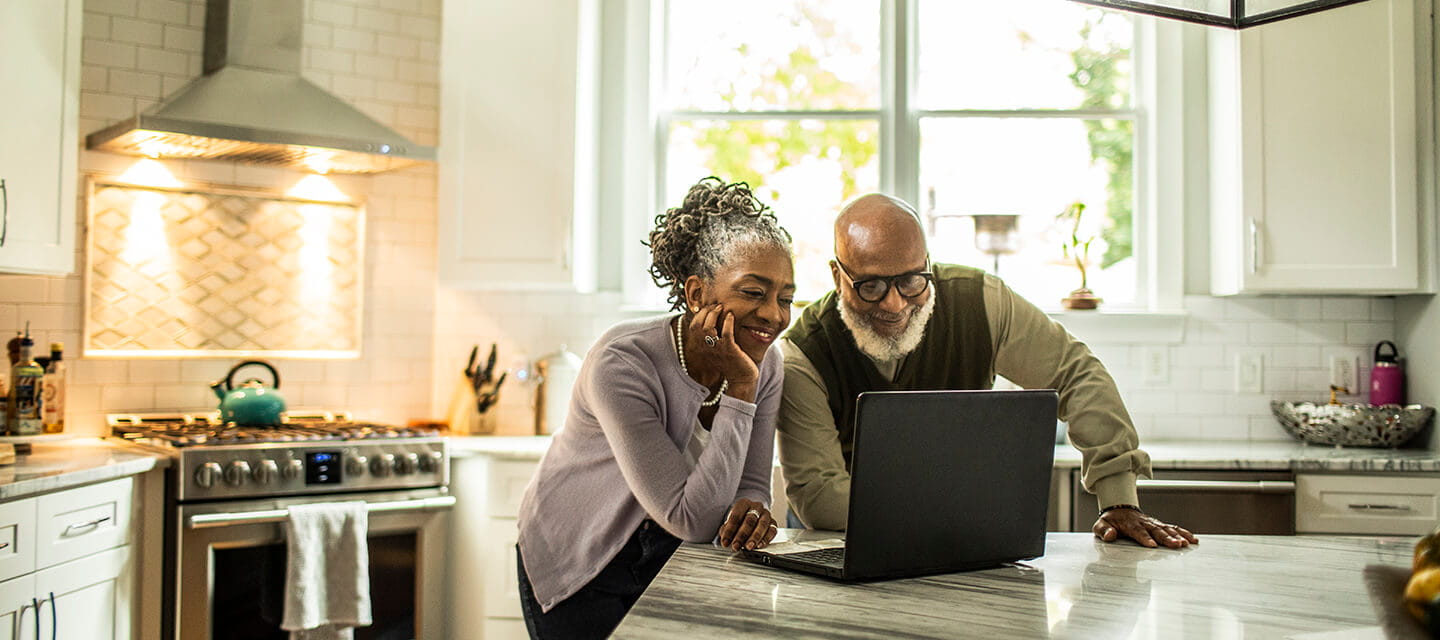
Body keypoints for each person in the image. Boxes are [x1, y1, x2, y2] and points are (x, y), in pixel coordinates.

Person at [778, 193, 1198, 549]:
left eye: (911, 280)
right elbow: (819, 496)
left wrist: (1118, 498)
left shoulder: (982, 303)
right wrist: (970, 506)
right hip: (839, 545)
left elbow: (1075, 373)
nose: (895, 305)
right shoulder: (803, 354)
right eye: (870, 286)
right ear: (837, 275)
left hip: (963, 540)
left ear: (928, 262)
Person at [515, 177, 796, 639]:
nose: (773, 315)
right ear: (696, 294)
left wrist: (753, 510)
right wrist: (742, 387)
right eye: (753, 292)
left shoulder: (767, 362)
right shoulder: (621, 362)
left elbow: (750, 485)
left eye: (785, 298)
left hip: (668, 557)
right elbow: (695, 519)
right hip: (579, 557)